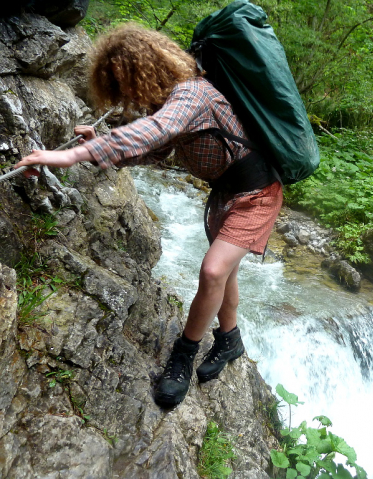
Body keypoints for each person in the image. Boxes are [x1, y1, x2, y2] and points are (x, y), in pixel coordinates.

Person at [14, 23, 283, 408]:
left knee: (212, 272)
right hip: (226, 192)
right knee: (226, 273)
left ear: (143, 70)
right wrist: (99, 145)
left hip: (257, 194)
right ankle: (229, 340)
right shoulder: (170, 101)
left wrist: (70, 155)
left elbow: (159, 130)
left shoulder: (193, 92)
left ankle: (184, 355)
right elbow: (157, 151)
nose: (129, 98)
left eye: (126, 87)